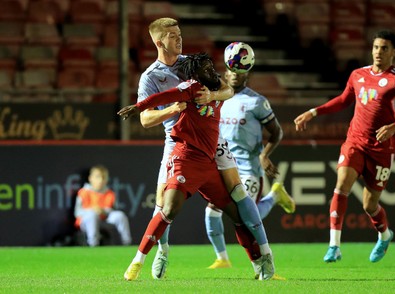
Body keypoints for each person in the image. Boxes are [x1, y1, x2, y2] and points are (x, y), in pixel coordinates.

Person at [132, 17, 281, 280]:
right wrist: (172, 109)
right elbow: (145, 119)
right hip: (178, 142)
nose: (179, 39)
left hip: (214, 139)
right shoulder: (151, 77)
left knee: (238, 194)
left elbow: (226, 90)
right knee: (162, 203)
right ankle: (163, 250)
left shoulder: (193, 64)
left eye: (180, 34)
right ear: (159, 42)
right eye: (173, 35)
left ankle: (264, 257)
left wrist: (212, 96)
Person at [293, 30, 395, 263]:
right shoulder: (358, 75)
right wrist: (313, 112)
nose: (378, 52)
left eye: (384, 48)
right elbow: (343, 100)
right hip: (355, 141)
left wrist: (394, 127)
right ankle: (334, 246)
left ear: (394, 52)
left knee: (369, 205)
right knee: (341, 185)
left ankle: (384, 235)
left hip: (382, 148)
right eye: (375, 47)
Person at [205, 65, 296, 269]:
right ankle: (222, 259)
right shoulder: (218, 98)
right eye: (231, 69)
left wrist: (264, 155)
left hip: (248, 168)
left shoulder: (256, 101)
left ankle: (274, 196)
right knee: (211, 212)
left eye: (240, 70)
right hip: (224, 166)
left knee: (247, 216)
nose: (235, 74)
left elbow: (276, 133)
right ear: (225, 73)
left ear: (248, 74)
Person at [74, 165, 132, 247]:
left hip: (105, 220)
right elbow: (77, 212)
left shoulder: (110, 193)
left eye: (103, 177)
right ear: (90, 178)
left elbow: (113, 210)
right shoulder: (83, 192)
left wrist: (103, 211)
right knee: (92, 215)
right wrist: (92, 210)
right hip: (86, 222)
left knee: (120, 215)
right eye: (97, 177)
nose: (100, 180)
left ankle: (127, 243)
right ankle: (93, 244)